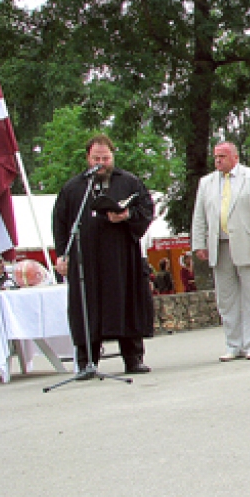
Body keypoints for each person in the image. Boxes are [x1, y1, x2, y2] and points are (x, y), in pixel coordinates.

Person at [52, 134, 154, 376]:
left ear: (112, 156)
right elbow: (61, 223)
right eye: (96, 158)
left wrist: (126, 215)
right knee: (87, 308)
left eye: (105, 158)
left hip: (121, 258)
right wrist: (61, 254)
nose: (101, 163)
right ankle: (87, 361)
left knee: (125, 302)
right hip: (85, 260)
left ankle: (133, 358)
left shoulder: (129, 182)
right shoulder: (73, 188)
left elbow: (146, 210)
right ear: (88, 158)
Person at [192, 141, 250, 362]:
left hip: (248, 243)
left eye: (222, 156)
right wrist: (199, 244)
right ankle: (233, 344)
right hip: (219, 245)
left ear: (235, 157)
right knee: (226, 298)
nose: (218, 160)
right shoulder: (206, 183)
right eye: (216, 156)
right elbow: (199, 216)